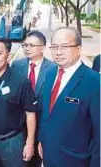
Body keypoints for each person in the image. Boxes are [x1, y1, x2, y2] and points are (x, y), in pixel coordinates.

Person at [38, 27, 100, 167]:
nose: (58, 52)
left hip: (76, 161)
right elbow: (47, 113)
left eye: (65, 47)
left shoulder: (94, 82)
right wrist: (42, 140)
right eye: (54, 47)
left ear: (78, 49)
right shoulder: (50, 74)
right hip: (48, 156)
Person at [0, 36, 38, 167]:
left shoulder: (21, 82)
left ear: (8, 56)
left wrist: (29, 144)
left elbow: (30, 114)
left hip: (12, 142)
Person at [11, 30, 55, 167]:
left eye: (31, 45)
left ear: (42, 47)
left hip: (42, 124)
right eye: (25, 45)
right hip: (20, 125)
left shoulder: (53, 69)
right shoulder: (17, 65)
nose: (27, 48)